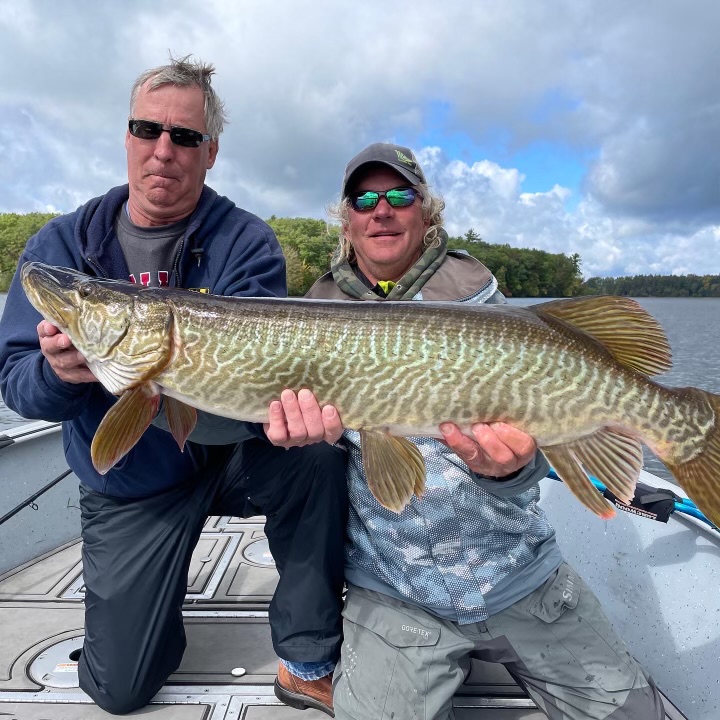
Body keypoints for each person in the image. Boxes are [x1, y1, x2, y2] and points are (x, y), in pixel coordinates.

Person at [266, 143, 665, 719]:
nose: (382, 209)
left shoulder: (488, 307)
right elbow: (317, 470)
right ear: (346, 218)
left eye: (400, 195)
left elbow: (538, 458)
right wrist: (300, 447)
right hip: (394, 593)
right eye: (365, 198)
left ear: (426, 212)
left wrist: (516, 468)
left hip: (518, 575)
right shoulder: (309, 321)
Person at [0, 56, 345, 717]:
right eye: (147, 129)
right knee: (120, 690)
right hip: (134, 482)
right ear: (127, 137)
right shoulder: (62, 245)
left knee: (320, 455)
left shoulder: (243, 239)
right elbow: (17, 383)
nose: (164, 151)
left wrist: (282, 413)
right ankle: (149, 614)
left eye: (184, 136)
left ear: (209, 151)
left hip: (233, 455)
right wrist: (58, 375)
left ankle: (307, 658)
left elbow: (252, 395)